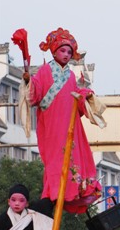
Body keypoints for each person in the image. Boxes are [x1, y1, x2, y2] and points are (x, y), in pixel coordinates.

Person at [22, 27, 102, 213]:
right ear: (54, 51)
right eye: (62, 51)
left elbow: (76, 101)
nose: (66, 55)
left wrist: (85, 96)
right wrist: (28, 81)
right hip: (51, 124)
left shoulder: (71, 76)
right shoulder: (43, 72)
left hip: (70, 124)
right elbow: (34, 97)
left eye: (69, 52)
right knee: (55, 159)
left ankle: (71, 192)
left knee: (72, 157)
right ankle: (56, 192)